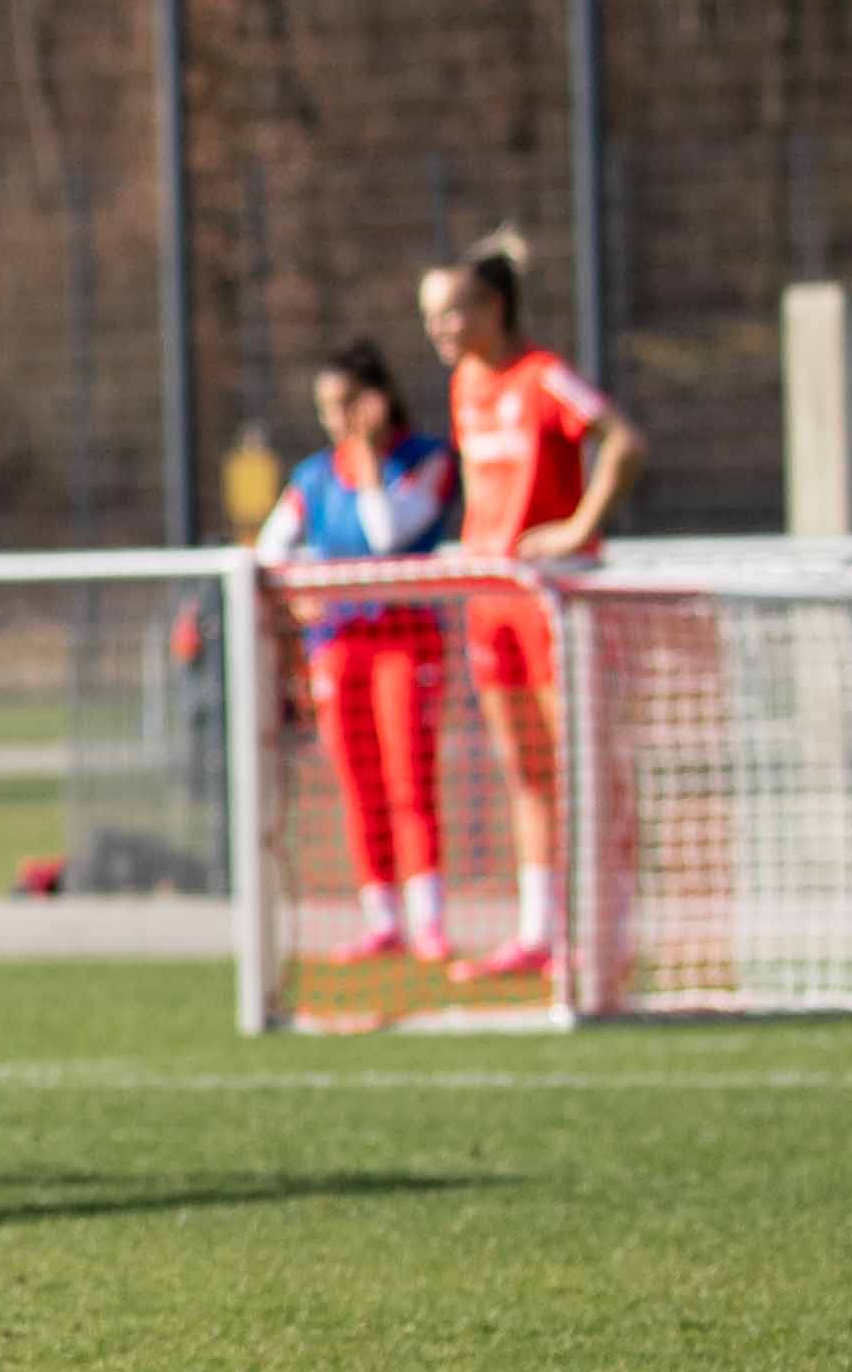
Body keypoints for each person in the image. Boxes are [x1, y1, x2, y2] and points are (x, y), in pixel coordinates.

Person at [419, 229, 650, 984]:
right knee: (524, 768)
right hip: (491, 602)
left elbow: (624, 441)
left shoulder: (543, 376)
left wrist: (581, 525)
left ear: (493, 307)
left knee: (582, 760)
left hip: (551, 603)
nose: (440, 331)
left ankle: (601, 928)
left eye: (452, 313)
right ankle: (537, 930)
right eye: (432, 317)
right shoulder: (465, 387)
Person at [254, 339, 459, 964]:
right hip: (339, 645)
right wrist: (294, 600)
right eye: (325, 408)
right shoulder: (313, 477)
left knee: (409, 779)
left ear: (376, 402)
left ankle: (428, 919)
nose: (334, 420)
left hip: (404, 638)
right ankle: (382, 918)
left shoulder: (426, 461)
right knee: (358, 782)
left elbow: (385, 535)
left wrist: (369, 458)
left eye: (345, 405)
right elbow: (269, 551)